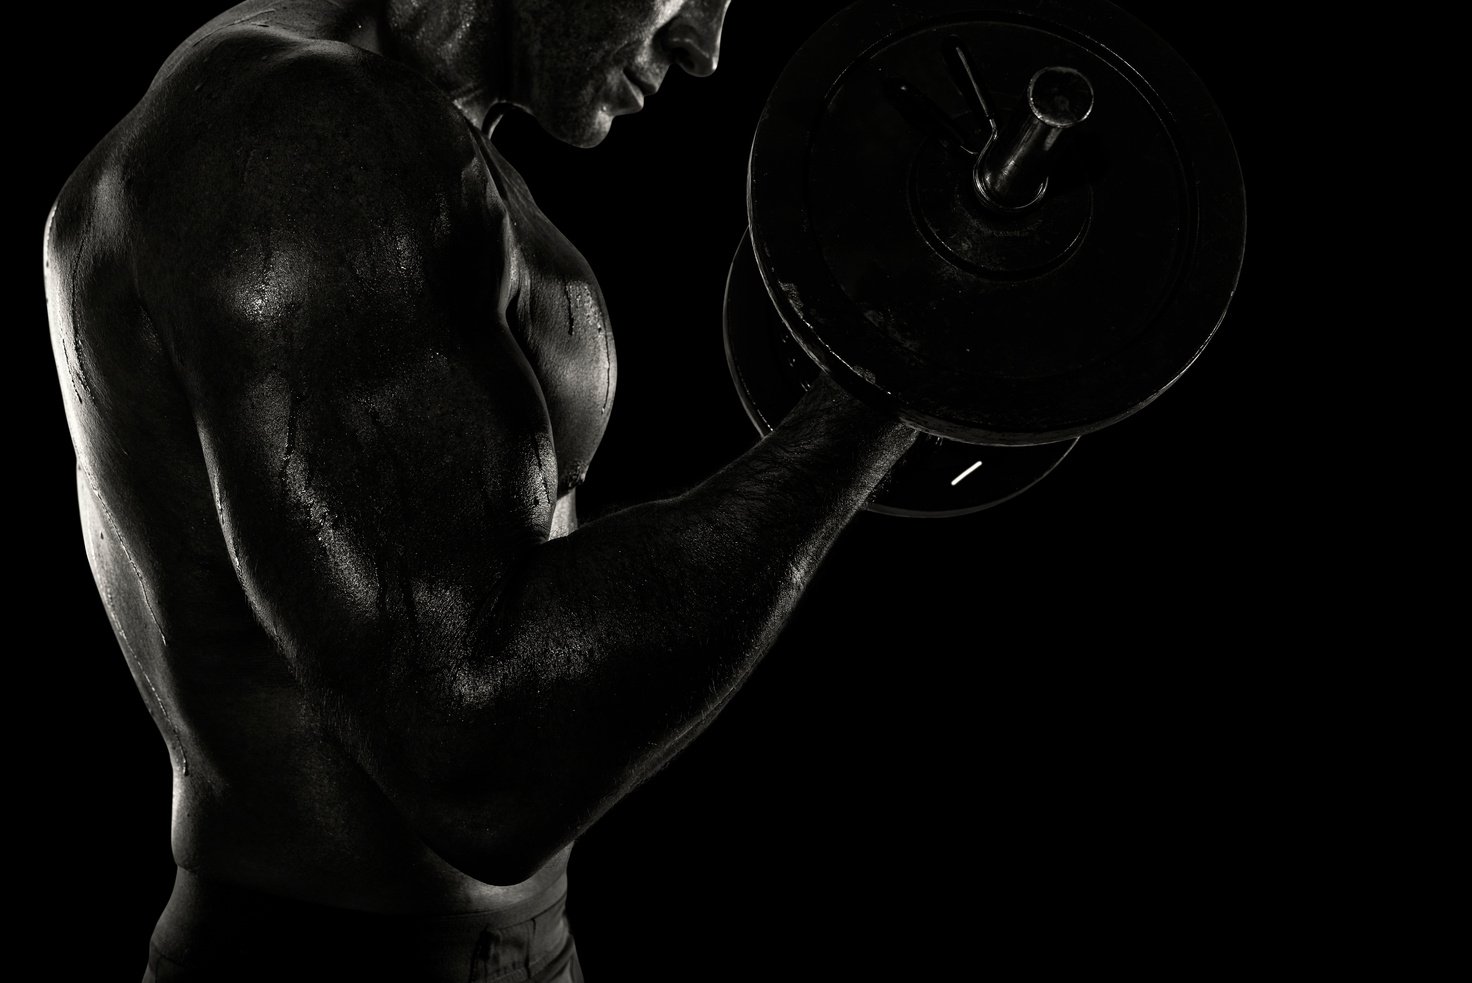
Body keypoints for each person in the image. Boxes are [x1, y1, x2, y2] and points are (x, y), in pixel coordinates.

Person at [43, 1, 920, 979]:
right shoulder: (295, 137)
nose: (703, 50)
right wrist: (884, 391)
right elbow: (476, 755)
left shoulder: (395, 128)